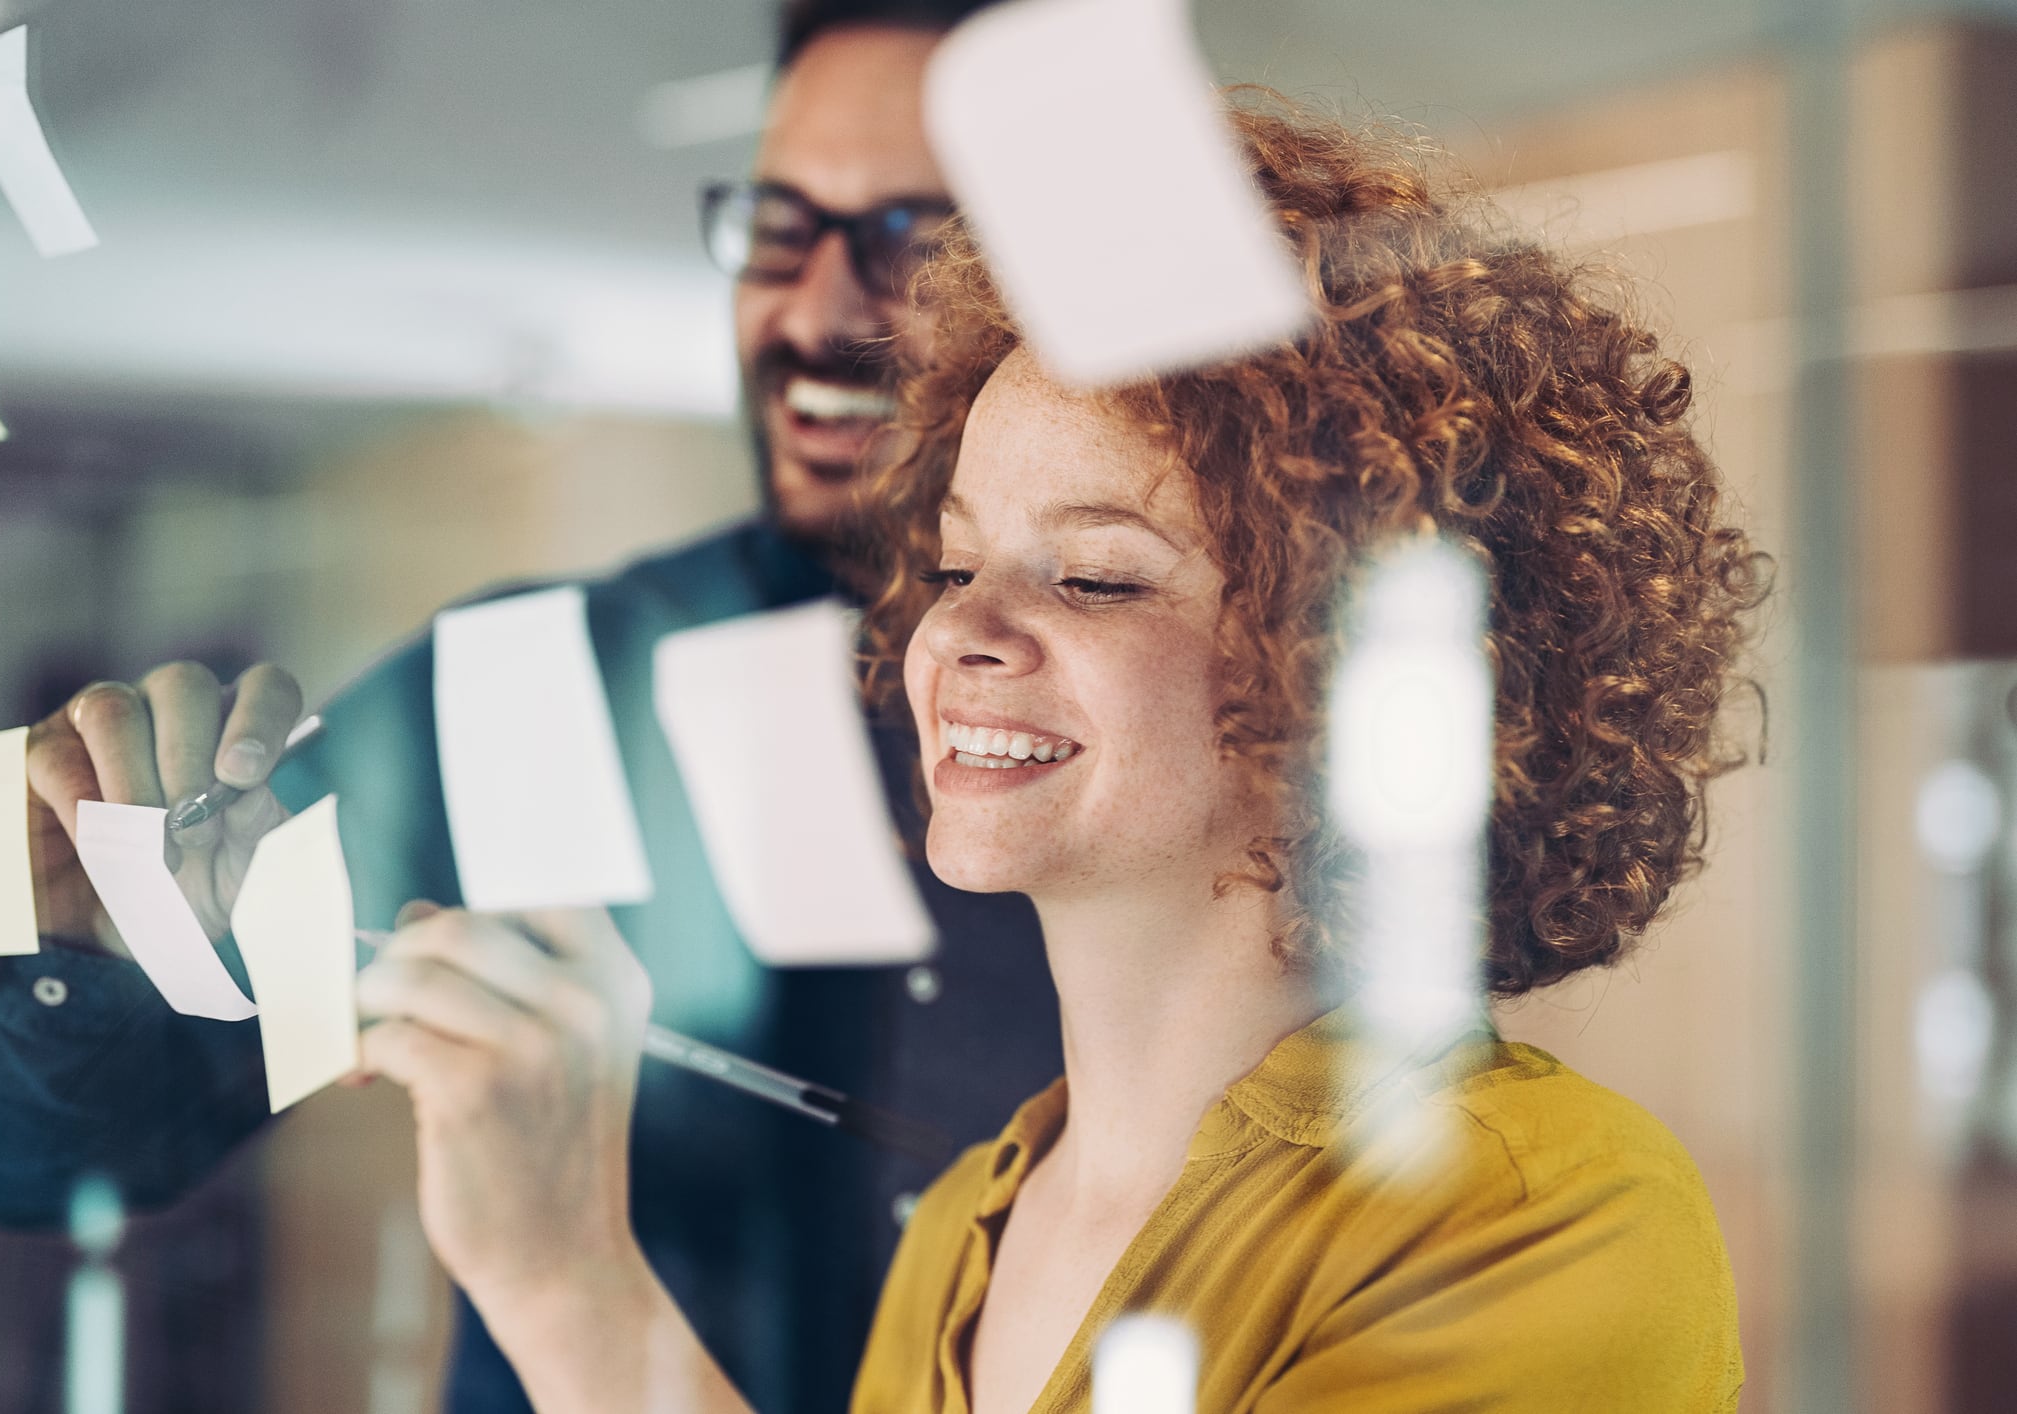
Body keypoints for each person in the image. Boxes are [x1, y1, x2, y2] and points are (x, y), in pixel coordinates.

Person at [346, 99, 1766, 1411]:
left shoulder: (1535, 1215)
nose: (959, 631)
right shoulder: (965, 1229)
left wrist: (571, 1287)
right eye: (957, 562)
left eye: (1095, 577)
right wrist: (548, 1266)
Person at [0, 5, 1063, 1413]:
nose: (819, 315)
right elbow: (39, 1157)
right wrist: (69, 953)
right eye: (780, 226)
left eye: (913, 237)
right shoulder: (539, 686)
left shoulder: (1227, 724)